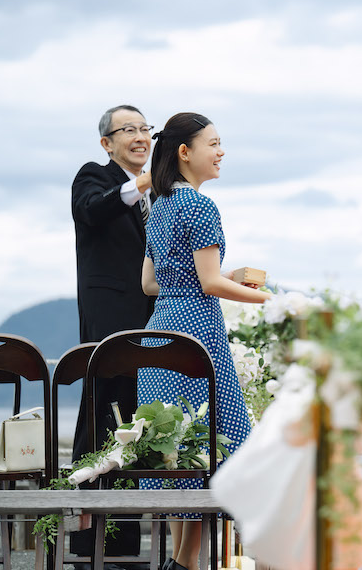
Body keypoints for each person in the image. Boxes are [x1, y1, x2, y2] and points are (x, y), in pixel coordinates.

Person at [139, 113, 271, 570]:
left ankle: (183, 563)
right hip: (197, 329)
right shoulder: (200, 206)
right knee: (207, 441)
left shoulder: (160, 206)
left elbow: (151, 284)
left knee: (176, 446)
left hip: (159, 330)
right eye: (213, 143)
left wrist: (218, 277)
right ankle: (186, 564)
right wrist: (262, 298)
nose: (220, 152)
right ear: (184, 152)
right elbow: (210, 283)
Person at [70, 105, 156, 563]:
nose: (142, 137)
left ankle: (125, 548)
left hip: (152, 322)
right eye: (130, 130)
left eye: (146, 129)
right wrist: (140, 184)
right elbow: (91, 211)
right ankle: (86, 547)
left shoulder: (157, 195)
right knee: (101, 417)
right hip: (108, 322)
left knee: (137, 427)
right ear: (107, 143)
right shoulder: (94, 176)